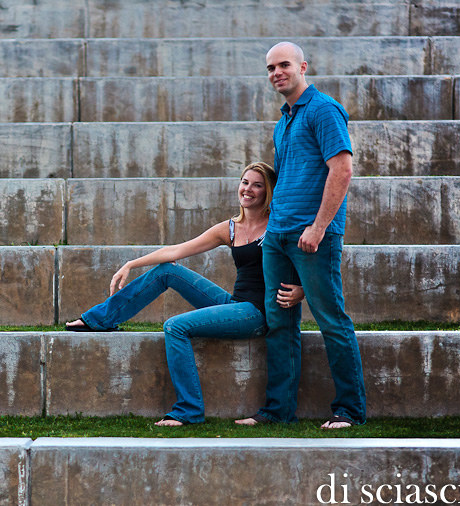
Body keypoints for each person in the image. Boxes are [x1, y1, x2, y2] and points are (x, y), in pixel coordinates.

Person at [65, 162, 304, 426]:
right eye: (245, 182)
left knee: (175, 326)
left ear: (268, 192)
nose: (248, 189)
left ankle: (188, 410)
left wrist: (302, 290)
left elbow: (306, 259)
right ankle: (100, 319)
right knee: (168, 270)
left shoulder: (277, 225)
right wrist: (131, 264)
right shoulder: (231, 228)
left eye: (257, 185)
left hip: (257, 313)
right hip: (235, 304)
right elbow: (176, 251)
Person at [235, 42, 367, 430]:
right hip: (277, 237)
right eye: (271, 68)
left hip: (312, 236)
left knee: (331, 320)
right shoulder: (283, 121)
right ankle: (278, 410)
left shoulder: (323, 109)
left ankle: (349, 409)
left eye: (284, 65)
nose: (277, 72)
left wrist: (319, 226)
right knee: (279, 322)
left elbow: (341, 169)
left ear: (302, 66)